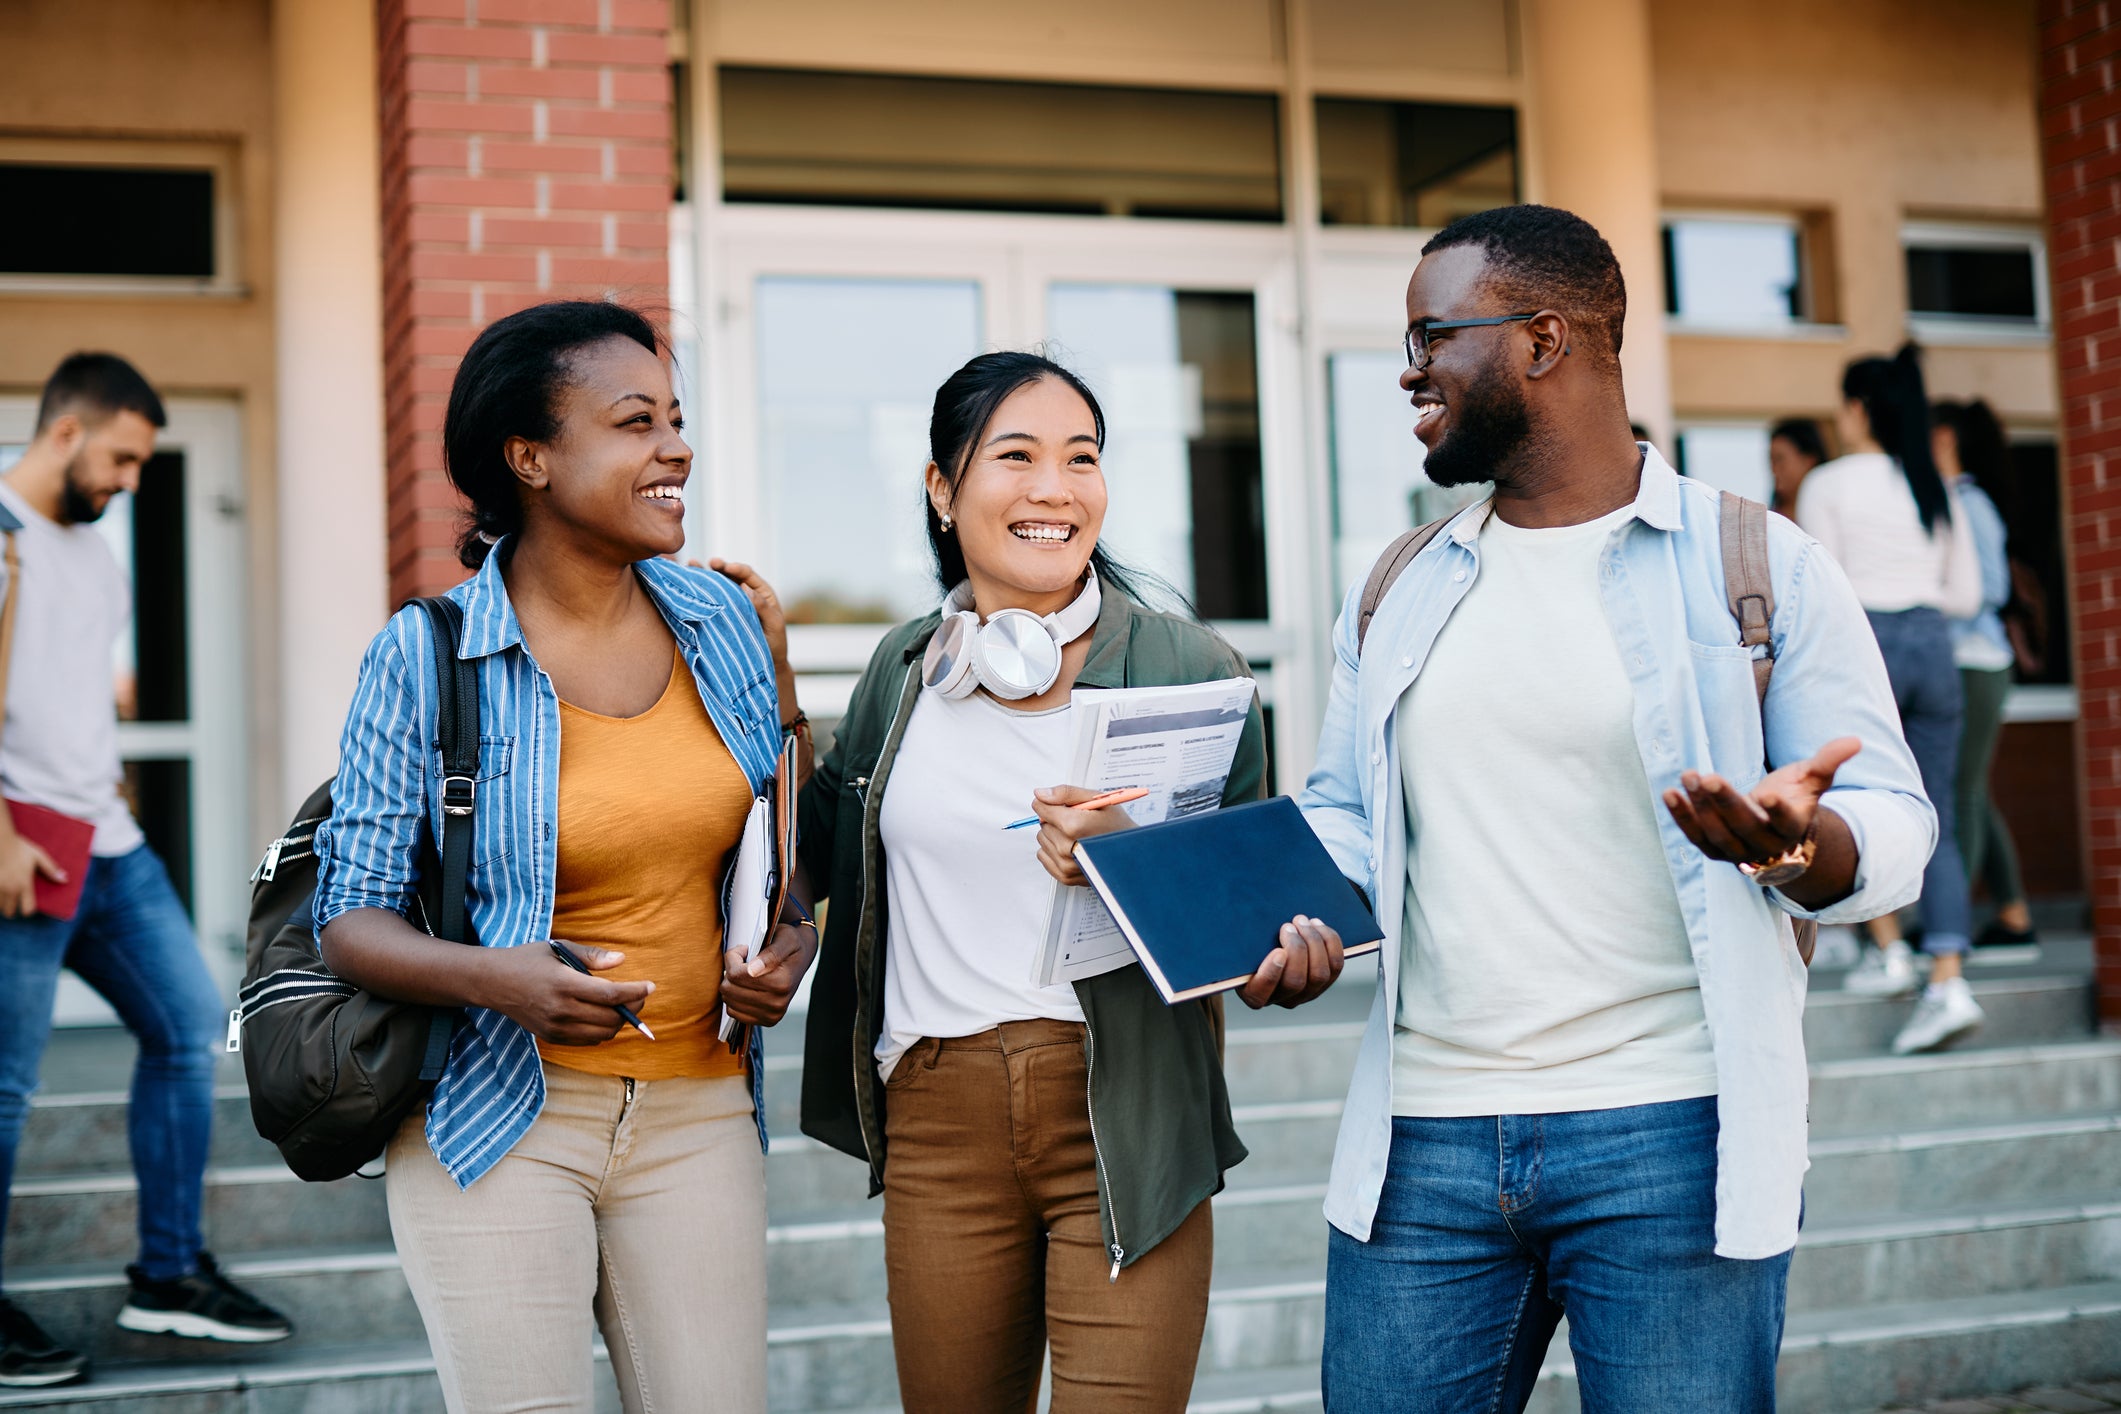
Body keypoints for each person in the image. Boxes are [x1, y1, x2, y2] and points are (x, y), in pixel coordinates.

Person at [1299, 205, 1934, 1412]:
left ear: (1544, 340)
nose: (1408, 367)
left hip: (1670, 1136)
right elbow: (1346, 823)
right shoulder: (1399, 586)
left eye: (1433, 334)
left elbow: (1891, 816)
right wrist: (1281, 925)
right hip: (1422, 1145)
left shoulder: (1759, 563)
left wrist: (1802, 841)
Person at [795, 350, 1343, 1412]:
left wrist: (1155, 874)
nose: (1056, 487)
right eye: (1017, 455)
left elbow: (1255, 921)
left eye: (1082, 457)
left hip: (1126, 1118)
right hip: (938, 1124)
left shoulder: (1195, 669)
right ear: (943, 489)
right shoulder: (902, 671)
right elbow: (817, 855)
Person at [312, 302, 812, 1414]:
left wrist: (794, 943)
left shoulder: (721, 621)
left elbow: (781, 851)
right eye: (636, 422)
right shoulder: (426, 652)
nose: (676, 446)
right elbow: (349, 917)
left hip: (700, 1111)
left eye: (676, 420)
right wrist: (503, 977)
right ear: (530, 458)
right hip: (499, 1115)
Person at [0, 354, 294, 1388]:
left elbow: (72, 698)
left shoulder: (97, 557)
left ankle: (166, 1276)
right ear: (67, 432)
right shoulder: (2, 537)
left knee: (186, 1026)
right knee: (4, 1086)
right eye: (123, 457)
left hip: (106, 849)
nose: (131, 480)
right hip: (19, 847)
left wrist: (112, 796)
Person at [1797, 349, 1985, 1052]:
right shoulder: (1931, 486)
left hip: (1865, 643)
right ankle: (1946, 980)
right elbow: (1966, 594)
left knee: (1856, 798)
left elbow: (1819, 588)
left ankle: (1890, 952)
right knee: (1933, 807)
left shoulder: (1829, 482)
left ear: (1857, 409)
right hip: (1934, 644)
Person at [1931, 399, 2039, 960]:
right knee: (1975, 790)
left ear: (1945, 439)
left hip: (1976, 661)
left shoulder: (1969, 502)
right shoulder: (1956, 499)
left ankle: (1945, 928)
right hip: (1968, 662)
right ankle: (2014, 912)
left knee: (1961, 792)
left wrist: (1929, 604)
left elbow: (1993, 589)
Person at [1768, 417, 1829, 518]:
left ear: (1809, 460)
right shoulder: (1771, 519)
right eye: (1771, 461)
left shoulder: (1830, 510)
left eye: (1780, 459)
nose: (1774, 470)